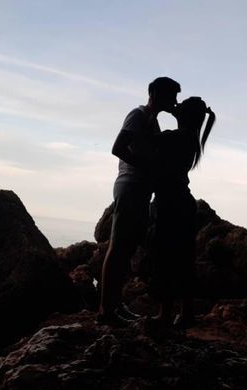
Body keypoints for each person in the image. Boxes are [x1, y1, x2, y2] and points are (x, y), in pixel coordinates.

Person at [97, 77, 181, 325]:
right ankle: (106, 311)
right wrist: (147, 167)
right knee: (118, 247)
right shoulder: (138, 115)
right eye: (171, 96)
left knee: (126, 248)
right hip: (130, 186)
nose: (174, 102)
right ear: (155, 93)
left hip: (140, 189)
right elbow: (118, 148)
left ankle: (115, 305)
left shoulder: (151, 121)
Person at [151, 97, 216, 328]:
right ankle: (186, 312)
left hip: (171, 203)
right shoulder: (189, 139)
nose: (175, 107)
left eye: (180, 106)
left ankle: (165, 313)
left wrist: (154, 111)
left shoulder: (176, 137)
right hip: (181, 203)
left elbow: (144, 139)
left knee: (165, 257)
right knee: (183, 259)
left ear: (185, 115)